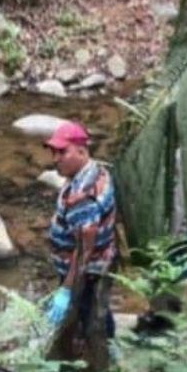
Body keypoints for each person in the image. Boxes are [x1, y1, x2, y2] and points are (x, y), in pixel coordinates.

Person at [43, 120, 118, 335]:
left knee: (90, 315)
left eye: (62, 152)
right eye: (53, 152)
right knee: (97, 309)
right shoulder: (98, 171)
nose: (55, 159)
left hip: (86, 272)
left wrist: (66, 289)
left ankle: (101, 354)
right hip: (100, 261)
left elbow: (84, 248)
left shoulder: (82, 195)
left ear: (82, 151)